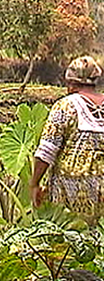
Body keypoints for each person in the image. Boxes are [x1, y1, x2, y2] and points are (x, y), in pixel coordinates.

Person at [31, 56, 104, 220]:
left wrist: (35, 183)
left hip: (70, 194)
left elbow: (46, 151)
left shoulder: (65, 106)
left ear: (71, 84)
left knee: (71, 240)